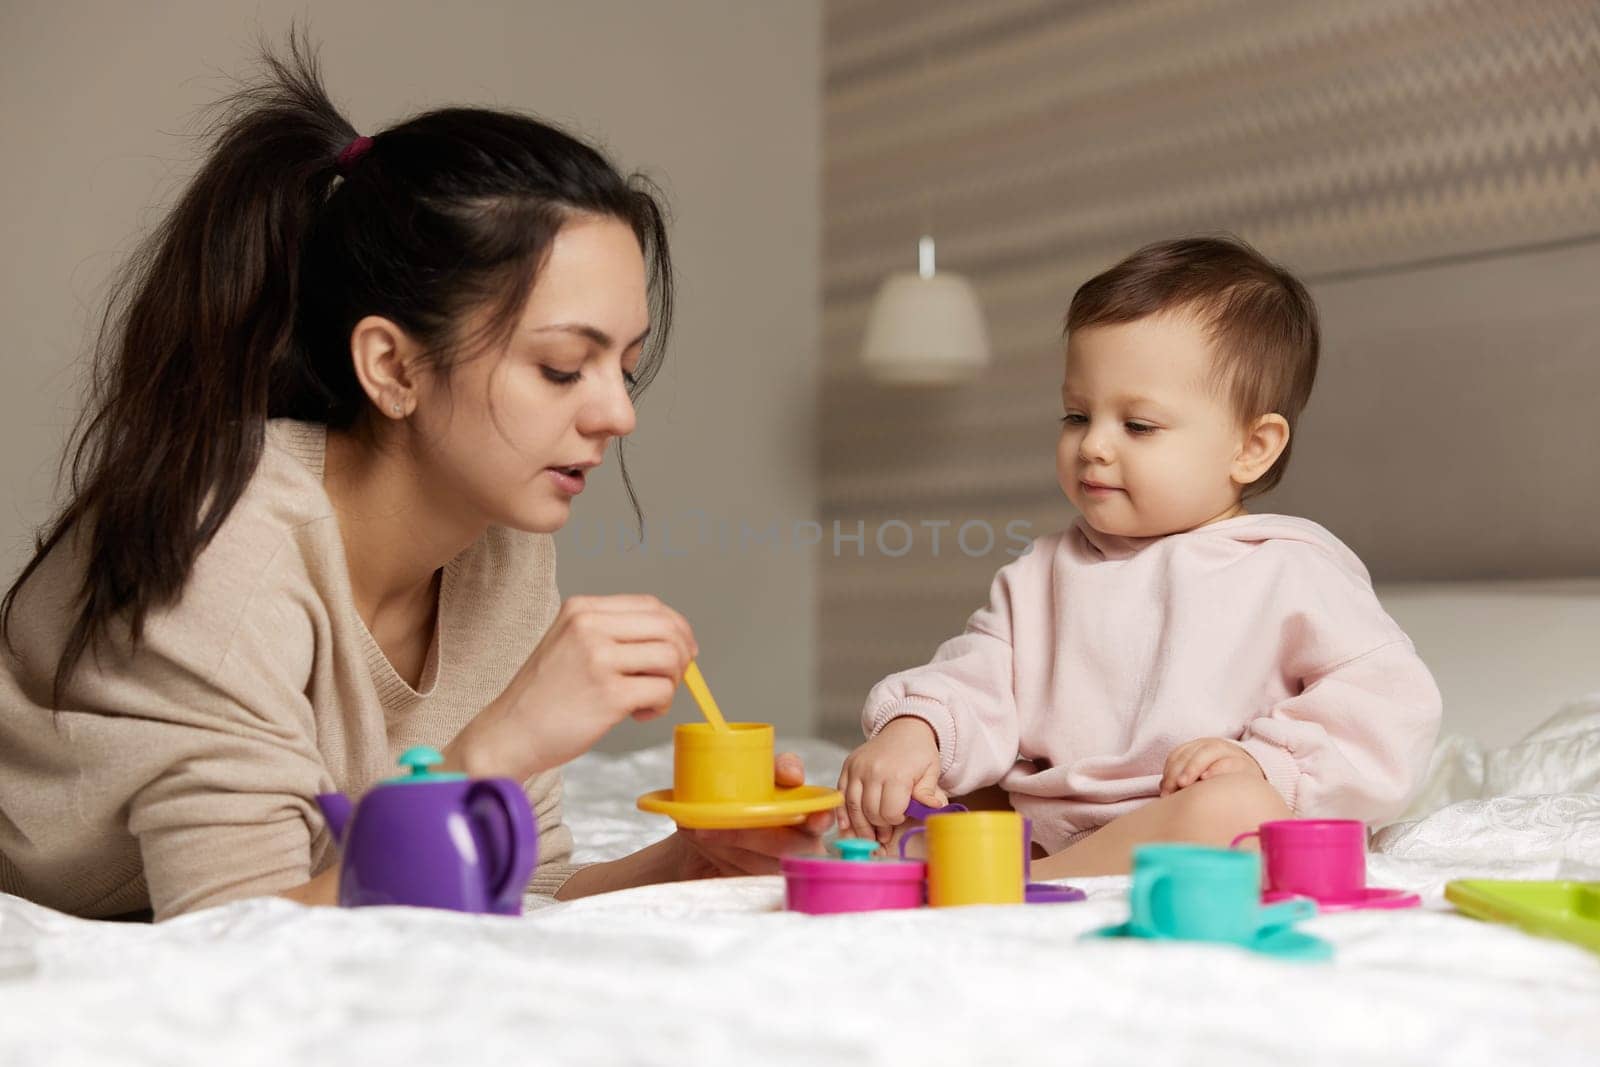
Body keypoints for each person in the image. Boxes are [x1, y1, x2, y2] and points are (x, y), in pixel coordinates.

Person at [0, 35, 827, 922]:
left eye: (624, 367)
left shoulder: (503, 553)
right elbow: (236, 931)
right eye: (560, 368)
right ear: (392, 367)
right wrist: (494, 749)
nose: (619, 416)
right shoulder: (228, 554)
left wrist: (685, 862)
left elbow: (511, 882)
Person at [836, 236, 1442, 877]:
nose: (1093, 445)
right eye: (1076, 415)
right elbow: (977, 679)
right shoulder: (1041, 573)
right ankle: (947, 863)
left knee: (1235, 810)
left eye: (1138, 426)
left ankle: (1020, 884)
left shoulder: (1289, 571)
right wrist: (919, 730)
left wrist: (1268, 764)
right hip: (1045, 822)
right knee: (898, 796)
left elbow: (1387, 708)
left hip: (1183, 820)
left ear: (1252, 447)